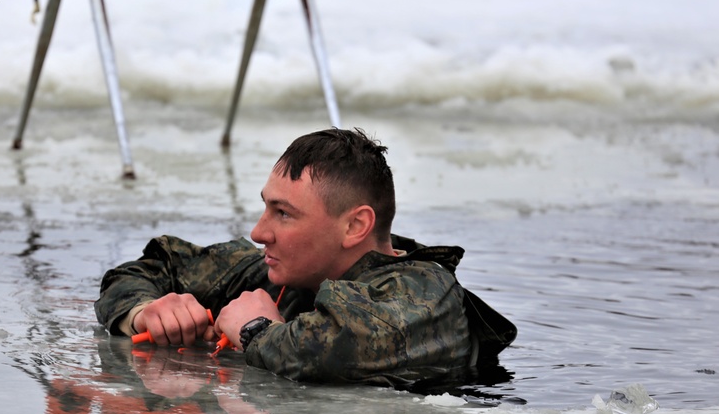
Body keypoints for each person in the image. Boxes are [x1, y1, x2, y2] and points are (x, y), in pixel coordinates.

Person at [95, 127, 516, 388]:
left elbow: (335, 346)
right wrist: (147, 312)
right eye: (266, 207)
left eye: (284, 214)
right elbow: (158, 264)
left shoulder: (424, 295)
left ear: (355, 226)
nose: (260, 232)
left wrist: (253, 328)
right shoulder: (283, 272)